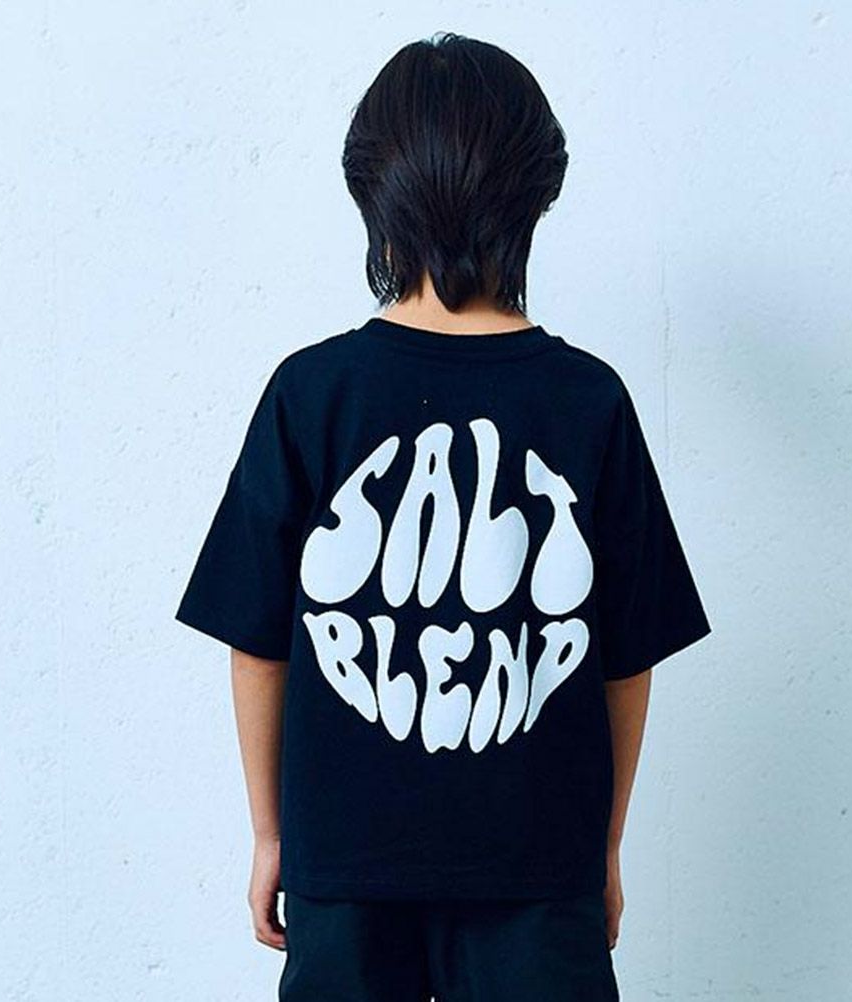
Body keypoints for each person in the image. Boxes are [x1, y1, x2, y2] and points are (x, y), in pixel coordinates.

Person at [175, 31, 712, 1002]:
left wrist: (271, 834)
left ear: (371, 190)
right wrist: (603, 848)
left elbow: (258, 644)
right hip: (539, 867)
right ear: (537, 191)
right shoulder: (588, 401)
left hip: (347, 863)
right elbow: (624, 657)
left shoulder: (312, 393)